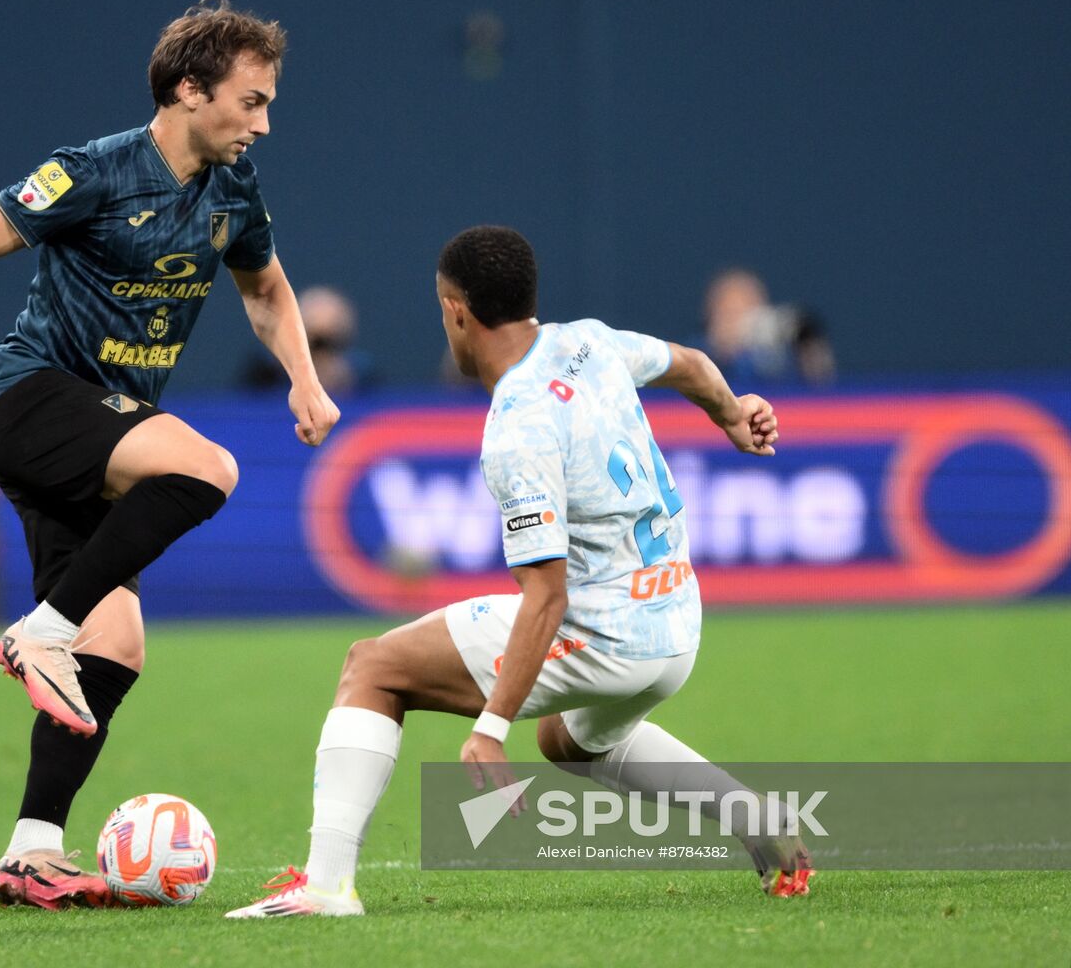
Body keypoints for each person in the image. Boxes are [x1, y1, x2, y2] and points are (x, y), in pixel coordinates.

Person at [0, 0, 339, 910]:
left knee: (118, 644)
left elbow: (269, 288)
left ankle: (32, 849)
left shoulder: (233, 192)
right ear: (187, 89)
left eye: (268, 102)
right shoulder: (93, 171)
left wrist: (304, 377)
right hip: (27, 399)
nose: (264, 122)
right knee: (208, 468)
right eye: (249, 101)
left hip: (93, 432)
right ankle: (37, 633)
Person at [226, 226, 807, 919]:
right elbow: (689, 361)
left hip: (603, 633)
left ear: (456, 311)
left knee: (372, 666)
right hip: (675, 628)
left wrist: (489, 728)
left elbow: (547, 596)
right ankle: (751, 815)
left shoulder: (517, 427)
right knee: (568, 741)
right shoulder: (586, 340)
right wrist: (732, 413)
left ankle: (325, 887)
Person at [702, 268, 835, 386]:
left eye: (745, 310)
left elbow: (821, 380)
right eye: (728, 312)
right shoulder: (697, 356)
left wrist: (808, 345)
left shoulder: (781, 358)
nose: (737, 322)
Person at [242, 286, 373, 392]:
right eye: (314, 342)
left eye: (328, 343)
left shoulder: (365, 380)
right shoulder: (263, 377)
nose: (320, 356)